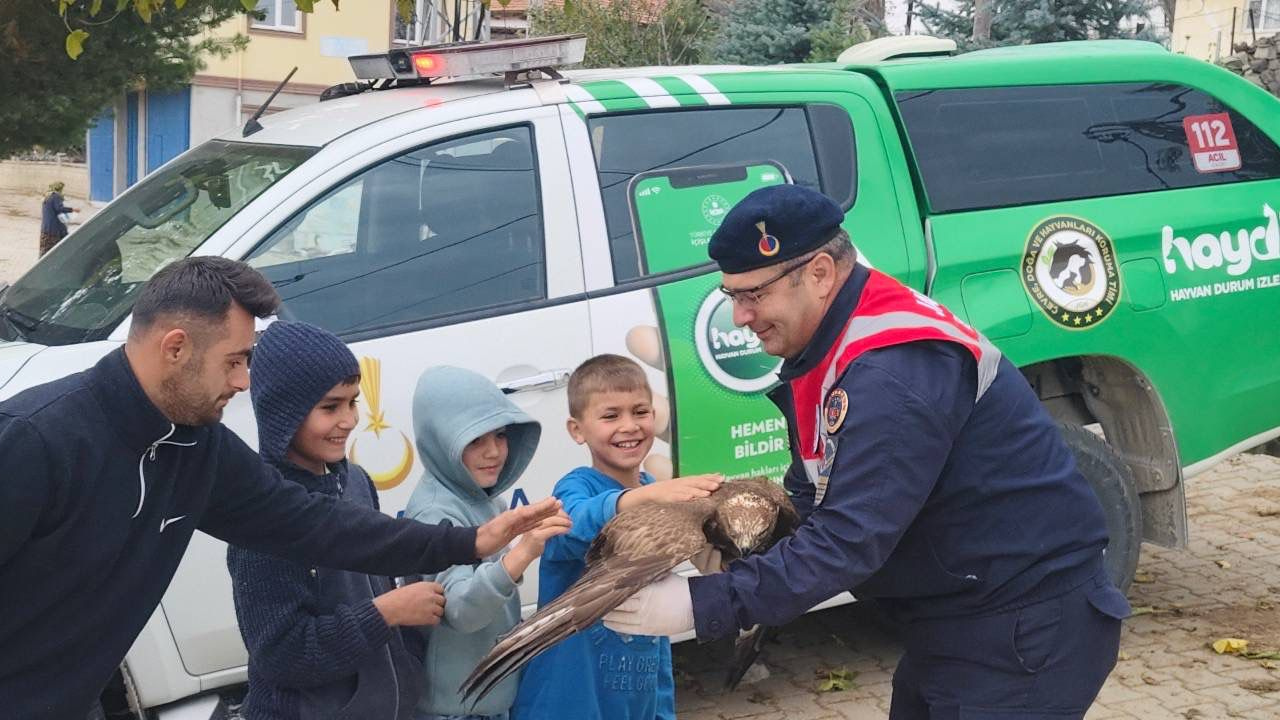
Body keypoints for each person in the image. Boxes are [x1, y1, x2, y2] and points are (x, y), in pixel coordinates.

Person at [603, 185, 1131, 719]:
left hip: (1021, 627)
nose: (740, 316)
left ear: (819, 274)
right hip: (960, 614)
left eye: (752, 295)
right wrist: (754, 556)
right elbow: (821, 490)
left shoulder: (887, 369)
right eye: (732, 296)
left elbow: (848, 540)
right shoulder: (837, 339)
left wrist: (698, 605)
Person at [0, 257, 566, 720]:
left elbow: (315, 524)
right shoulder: (35, 440)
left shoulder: (199, 446)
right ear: (175, 347)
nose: (245, 381)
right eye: (235, 361)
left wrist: (468, 543)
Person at [228, 322, 451, 719]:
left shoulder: (357, 483)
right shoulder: (260, 516)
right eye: (330, 407)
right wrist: (388, 612)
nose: (348, 420)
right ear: (283, 412)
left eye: (352, 403)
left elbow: (382, 577)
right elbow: (283, 655)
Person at [513, 354, 721, 720]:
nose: (629, 426)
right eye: (610, 416)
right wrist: (639, 499)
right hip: (567, 703)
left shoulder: (654, 492)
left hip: (636, 695)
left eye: (640, 412)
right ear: (577, 430)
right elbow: (574, 524)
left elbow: (657, 630)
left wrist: (661, 708)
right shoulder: (577, 487)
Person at [404, 366, 568, 720]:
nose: (493, 451)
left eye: (500, 435)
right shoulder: (435, 513)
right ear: (440, 441)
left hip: (485, 700)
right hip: (453, 708)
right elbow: (460, 610)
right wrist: (522, 554)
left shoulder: (481, 498)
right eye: (474, 440)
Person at [39, 180, 76, 256]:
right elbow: (59, 208)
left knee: (45, 250)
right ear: (59, 189)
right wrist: (72, 209)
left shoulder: (47, 196)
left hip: (46, 228)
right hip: (55, 229)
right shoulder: (56, 196)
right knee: (58, 249)